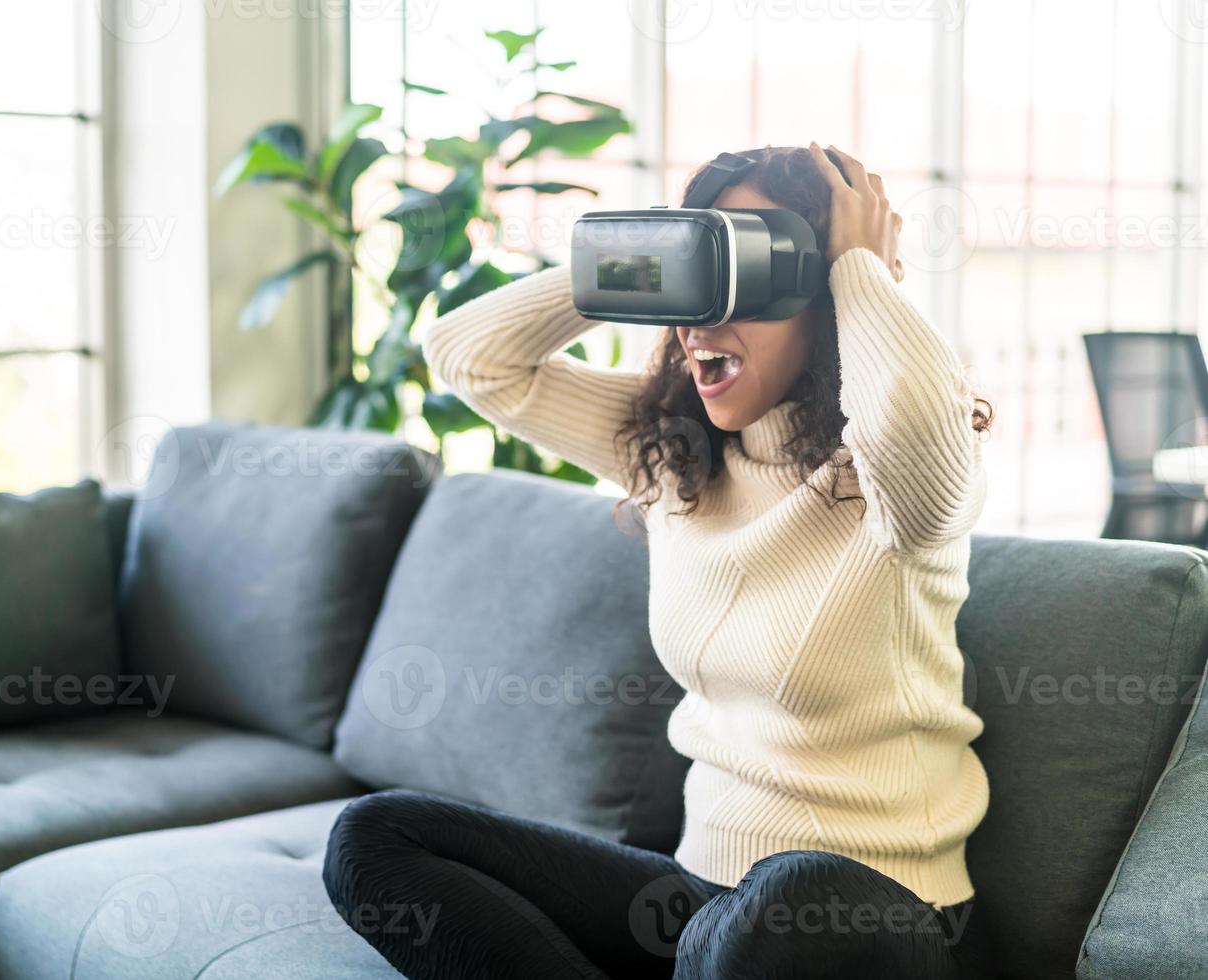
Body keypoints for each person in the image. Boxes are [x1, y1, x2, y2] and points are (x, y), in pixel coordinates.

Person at [322, 142, 997, 979]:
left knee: (780, 902)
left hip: (869, 914)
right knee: (376, 836)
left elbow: (911, 438)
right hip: (700, 898)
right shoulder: (674, 456)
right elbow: (472, 358)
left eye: (742, 269)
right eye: (693, 270)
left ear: (825, 291)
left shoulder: (900, 469)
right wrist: (638, 262)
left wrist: (861, 267)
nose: (704, 315)